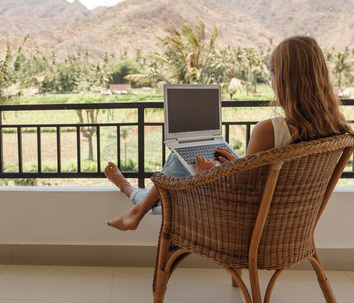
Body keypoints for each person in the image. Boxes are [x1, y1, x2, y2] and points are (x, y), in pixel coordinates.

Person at [106, 35, 352, 231]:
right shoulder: (337, 132)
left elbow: (240, 192)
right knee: (180, 163)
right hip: (290, 227)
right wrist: (237, 165)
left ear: (286, 79)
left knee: (172, 175)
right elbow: (272, 182)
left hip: (241, 224)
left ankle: (131, 197)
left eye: (273, 72)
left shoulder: (270, 130)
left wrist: (214, 173)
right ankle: (135, 205)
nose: (271, 80)